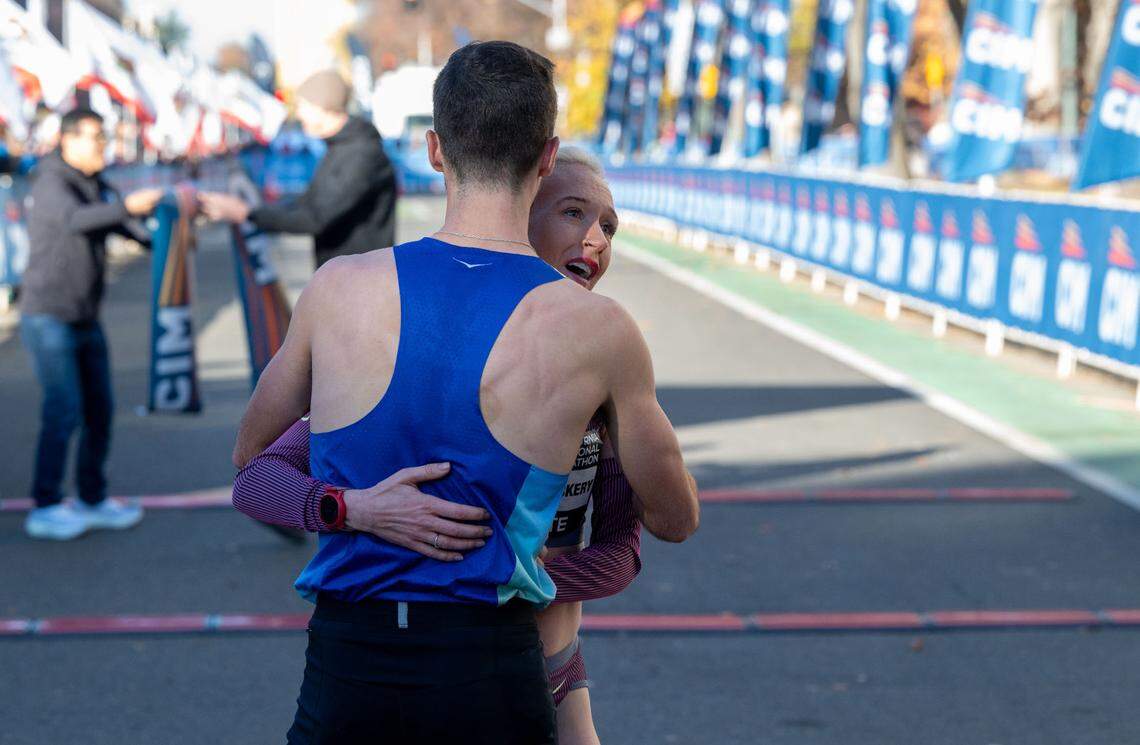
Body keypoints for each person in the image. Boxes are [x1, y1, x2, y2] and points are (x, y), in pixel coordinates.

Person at [232, 42, 699, 744]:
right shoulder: (599, 330)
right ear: (545, 158)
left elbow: (253, 464)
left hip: (349, 661)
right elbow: (674, 518)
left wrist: (352, 507)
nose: (596, 239)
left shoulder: (338, 288)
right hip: (489, 664)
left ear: (433, 150)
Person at [19, 107, 163, 540]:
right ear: (68, 139)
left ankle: (92, 498)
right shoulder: (50, 180)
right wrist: (126, 206)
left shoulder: (95, 182)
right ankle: (45, 505)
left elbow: (126, 226)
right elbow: (77, 220)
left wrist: (166, 239)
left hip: (85, 315)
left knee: (100, 410)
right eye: (96, 137)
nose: (104, 146)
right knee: (63, 409)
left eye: (106, 138)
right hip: (48, 316)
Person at [199, 69, 397, 269]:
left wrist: (246, 213)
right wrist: (253, 209)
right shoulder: (342, 148)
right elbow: (305, 204)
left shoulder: (361, 154)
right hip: (346, 275)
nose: (298, 114)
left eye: (302, 106)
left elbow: (314, 218)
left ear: (322, 106)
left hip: (362, 279)